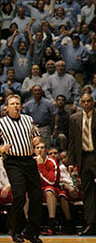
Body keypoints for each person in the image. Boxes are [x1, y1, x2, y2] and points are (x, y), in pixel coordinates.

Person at [67, 92, 96, 236]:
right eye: (84, 101)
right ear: (81, 103)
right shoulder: (74, 118)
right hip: (83, 158)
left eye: (89, 101)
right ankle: (91, 224)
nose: (86, 104)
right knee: (87, 192)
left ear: (93, 102)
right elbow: (72, 142)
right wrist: (71, 162)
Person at [0, 94, 42, 243]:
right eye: (12, 104)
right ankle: (16, 229)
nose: (16, 106)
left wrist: (37, 141)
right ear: (7, 107)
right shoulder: (1, 123)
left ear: (21, 105)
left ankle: (32, 232)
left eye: (18, 103)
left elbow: (36, 136)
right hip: (13, 162)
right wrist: (1, 148)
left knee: (37, 196)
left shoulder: (28, 119)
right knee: (19, 196)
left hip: (29, 161)